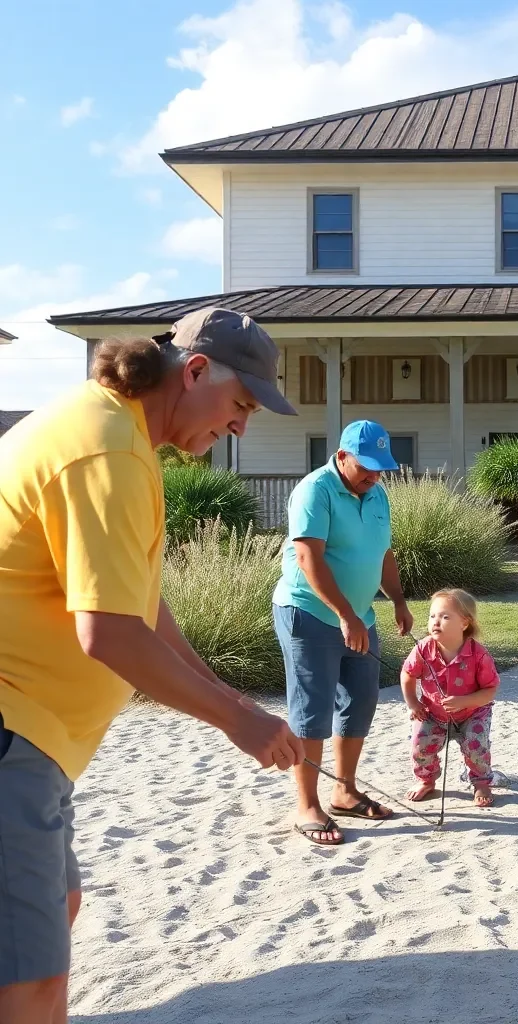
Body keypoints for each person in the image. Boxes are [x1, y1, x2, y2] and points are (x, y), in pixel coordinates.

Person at [0, 307, 305, 1024]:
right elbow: (107, 634)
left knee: (58, 910)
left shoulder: (118, 432)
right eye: (240, 405)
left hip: (36, 743)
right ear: (194, 371)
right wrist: (238, 720)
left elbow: (141, 605)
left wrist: (224, 692)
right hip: (13, 732)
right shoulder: (107, 449)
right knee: (34, 979)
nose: (240, 427)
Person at [272, 419, 414, 845]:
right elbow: (307, 558)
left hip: (361, 616)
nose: (375, 474)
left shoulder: (377, 494)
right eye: (367, 465)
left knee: (359, 701)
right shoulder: (314, 490)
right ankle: (307, 805)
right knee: (311, 708)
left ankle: (345, 791)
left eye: (381, 467)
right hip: (310, 614)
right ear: (341, 457)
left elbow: (383, 552)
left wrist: (399, 599)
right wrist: (345, 615)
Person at [401, 589, 501, 809]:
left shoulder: (478, 654)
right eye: (432, 616)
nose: (436, 621)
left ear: (464, 623)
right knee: (420, 746)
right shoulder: (423, 649)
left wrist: (464, 702)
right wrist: (413, 702)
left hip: (472, 712)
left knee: (476, 746)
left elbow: (490, 690)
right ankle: (426, 780)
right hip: (432, 713)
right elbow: (407, 674)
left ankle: (482, 783)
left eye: (445, 617)